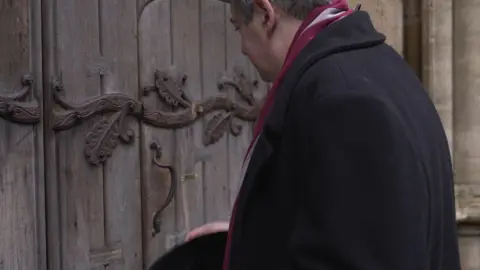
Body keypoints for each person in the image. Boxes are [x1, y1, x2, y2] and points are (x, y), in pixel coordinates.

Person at [187, 0, 461, 269]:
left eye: (238, 29)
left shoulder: (344, 102)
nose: (243, 48)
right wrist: (250, 238)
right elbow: (353, 227)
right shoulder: (377, 66)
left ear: (265, 14)